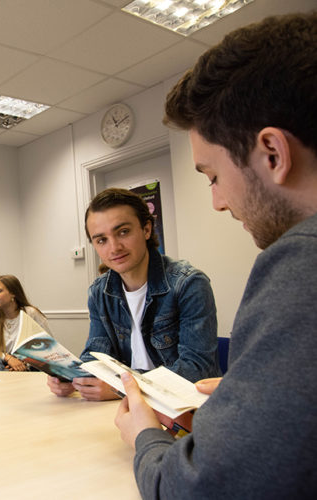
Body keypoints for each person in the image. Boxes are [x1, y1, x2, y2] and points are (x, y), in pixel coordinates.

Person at [114, 12, 317, 498]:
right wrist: (259, 398)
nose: (218, 202)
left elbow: (195, 487)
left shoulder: (301, 265)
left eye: (212, 177)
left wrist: (143, 435)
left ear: (273, 153)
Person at [49, 188, 220, 400]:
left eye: (123, 232)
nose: (114, 248)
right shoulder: (99, 292)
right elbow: (96, 354)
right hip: (130, 405)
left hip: (186, 407)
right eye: (101, 240)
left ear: (146, 229)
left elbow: (196, 370)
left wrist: (122, 387)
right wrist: (73, 377)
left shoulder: (188, 284)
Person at [0, 275, 52, 371]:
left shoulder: (31, 314)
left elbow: (49, 347)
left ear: (13, 294)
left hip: (25, 366)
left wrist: (23, 363)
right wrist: (8, 358)